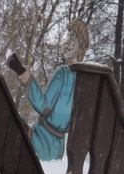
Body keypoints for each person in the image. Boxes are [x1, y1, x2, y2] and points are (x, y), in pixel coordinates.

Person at [11, 19, 88, 161]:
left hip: (42, 141)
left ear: (81, 46)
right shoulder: (84, 78)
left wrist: (27, 78)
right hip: (58, 146)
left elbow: (44, 106)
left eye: (71, 38)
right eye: (66, 37)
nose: (65, 43)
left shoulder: (63, 73)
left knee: (7, 131)